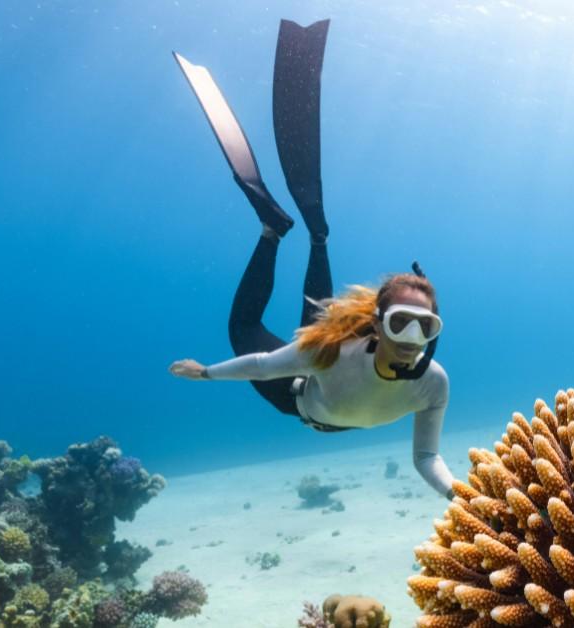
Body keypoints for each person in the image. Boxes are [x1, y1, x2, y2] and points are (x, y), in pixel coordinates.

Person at [167, 19, 455, 499]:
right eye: (403, 322)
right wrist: (207, 373)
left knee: (318, 323)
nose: (413, 339)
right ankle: (280, 234)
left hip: (318, 402)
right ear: (379, 321)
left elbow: (426, 457)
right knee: (250, 328)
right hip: (297, 393)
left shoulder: (434, 383)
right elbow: (261, 364)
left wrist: (461, 496)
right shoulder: (331, 351)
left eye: (426, 328)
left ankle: (298, 233)